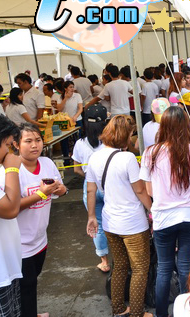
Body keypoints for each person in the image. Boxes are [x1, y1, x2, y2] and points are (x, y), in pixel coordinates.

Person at [140, 107, 190, 317]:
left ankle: (161, 313)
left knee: (164, 268)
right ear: (185, 126)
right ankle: (186, 312)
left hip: (163, 219)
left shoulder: (150, 152)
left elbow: (149, 191)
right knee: (186, 266)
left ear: (163, 126)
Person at [0, 123, 67, 317]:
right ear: (16, 145)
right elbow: (10, 207)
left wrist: (61, 190)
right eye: (28, 141)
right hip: (19, 245)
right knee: (26, 287)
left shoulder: (47, 163)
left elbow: (58, 188)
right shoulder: (8, 172)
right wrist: (41, 194)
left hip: (40, 239)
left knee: (31, 282)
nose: (35, 145)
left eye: (38, 140)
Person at [85, 115, 153, 317]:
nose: (132, 137)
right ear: (125, 135)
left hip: (109, 221)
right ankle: (137, 313)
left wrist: (91, 216)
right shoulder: (127, 158)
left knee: (120, 266)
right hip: (132, 223)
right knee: (140, 269)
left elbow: (90, 190)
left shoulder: (94, 157)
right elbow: (140, 190)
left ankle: (118, 309)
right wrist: (153, 210)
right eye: (131, 134)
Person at [0, 112, 22, 317]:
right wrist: (12, 170)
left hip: (2, 270)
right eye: (8, 145)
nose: (9, 151)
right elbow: (10, 209)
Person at [72, 105, 110, 273]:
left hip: (90, 188)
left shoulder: (80, 144)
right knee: (116, 220)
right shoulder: (110, 142)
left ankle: (104, 261)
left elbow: (76, 169)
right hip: (110, 186)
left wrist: (89, 177)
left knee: (98, 225)